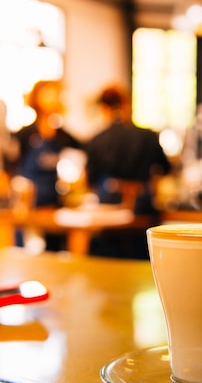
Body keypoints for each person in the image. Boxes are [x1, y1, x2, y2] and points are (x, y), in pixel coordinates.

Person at [84, 85, 172, 258]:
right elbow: (166, 169)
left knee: (108, 259)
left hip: (109, 207)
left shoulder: (96, 139)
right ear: (127, 104)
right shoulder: (148, 136)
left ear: (104, 108)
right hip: (143, 206)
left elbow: (91, 180)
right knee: (142, 259)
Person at [5, 80, 82, 250]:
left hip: (53, 204)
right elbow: (11, 168)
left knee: (55, 253)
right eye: (49, 94)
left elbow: (85, 150)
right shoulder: (25, 135)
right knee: (26, 252)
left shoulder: (62, 136)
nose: (54, 98)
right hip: (28, 208)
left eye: (57, 94)